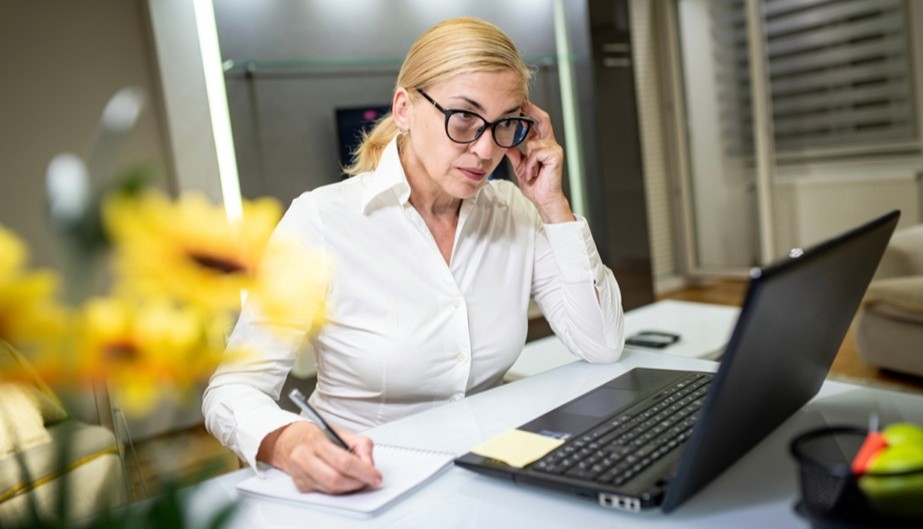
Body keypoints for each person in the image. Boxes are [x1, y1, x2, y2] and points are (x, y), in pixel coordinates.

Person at [203, 16, 625, 495]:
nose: (485, 149)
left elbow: (602, 344)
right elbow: (231, 390)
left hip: (490, 474)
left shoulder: (515, 211)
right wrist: (288, 441)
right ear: (404, 107)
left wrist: (553, 203)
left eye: (505, 123)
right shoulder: (321, 221)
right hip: (368, 484)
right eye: (464, 117)